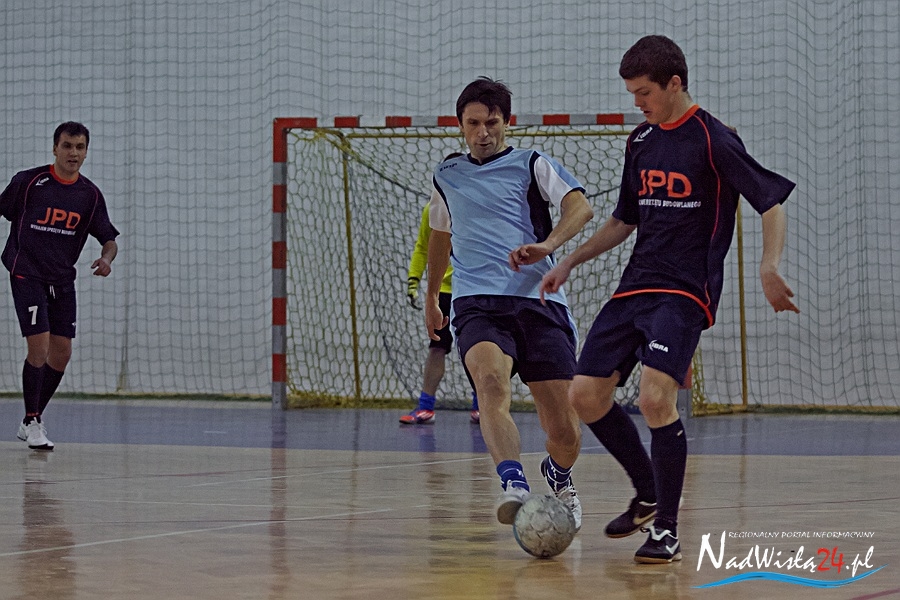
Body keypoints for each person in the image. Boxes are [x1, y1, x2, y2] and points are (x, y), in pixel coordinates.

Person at [541, 35, 799, 563]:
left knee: (656, 399)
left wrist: (769, 266)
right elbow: (623, 219)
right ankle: (648, 492)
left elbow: (771, 203)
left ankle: (668, 530)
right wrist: (569, 260)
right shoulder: (640, 140)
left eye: (644, 92)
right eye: (633, 93)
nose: (638, 103)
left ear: (674, 83)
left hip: (684, 291)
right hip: (636, 285)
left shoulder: (714, 139)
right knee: (584, 396)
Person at [425, 77, 594, 529]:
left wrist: (548, 244)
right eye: (473, 123)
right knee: (490, 384)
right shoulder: (446, 175)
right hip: (476, 303)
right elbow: (440, 235)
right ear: (460, 125)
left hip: (538, 302)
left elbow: (581, 207)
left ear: (506, 123)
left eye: (492, 122)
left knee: (564, 428)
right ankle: (513, 483)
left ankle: (558, 474)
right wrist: (432, 297)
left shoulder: (532, 163)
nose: (483, 133)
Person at [1, 121, 120, 451]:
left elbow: (109, 239)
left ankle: (32, 417)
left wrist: (106, 258)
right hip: (26, 273)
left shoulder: (89, 195)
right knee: (38, 347)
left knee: (62, 353)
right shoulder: (29, 182)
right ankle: (32, 420)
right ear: (55, 148)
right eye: (67, 146)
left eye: (80, 147)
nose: (73, 153)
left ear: (86, 152)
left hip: (62, 279)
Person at [402, 163, 480, 425]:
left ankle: (482, 404)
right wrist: (414, 279)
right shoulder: (432, 210)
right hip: (445, 292)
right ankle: (426, 406)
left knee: (479, 349)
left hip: (473, 289)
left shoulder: (480, 207)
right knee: (437, 347)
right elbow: (423, 247)